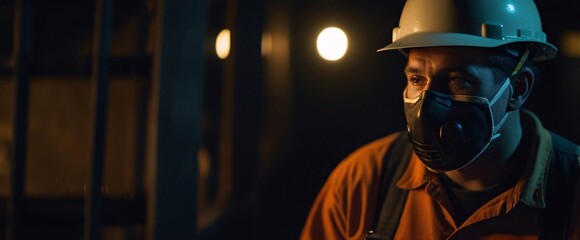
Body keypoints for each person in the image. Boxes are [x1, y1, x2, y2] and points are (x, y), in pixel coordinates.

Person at [300, 0, 580, 239]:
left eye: (457, 80)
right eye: (417, 79)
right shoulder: (361, 183)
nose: (427, 105)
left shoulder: (573, 194)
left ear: (518, 88)